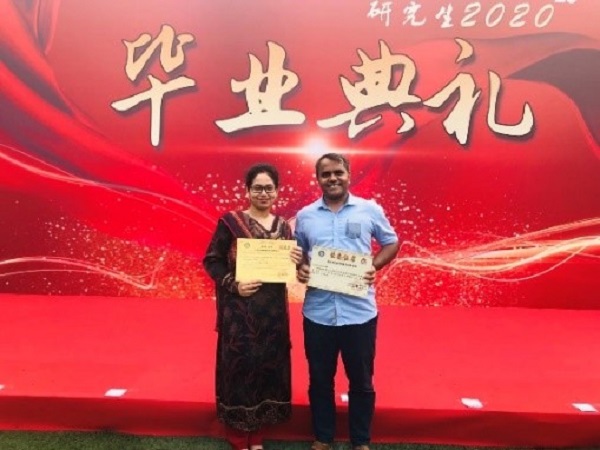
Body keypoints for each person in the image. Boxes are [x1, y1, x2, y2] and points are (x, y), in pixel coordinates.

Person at [295, 153, 399, 450]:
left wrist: (374, 266)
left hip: (359, 313)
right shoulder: (305, 216)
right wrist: (301, 268)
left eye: (338, 172)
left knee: (361, 380)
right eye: (326, 174)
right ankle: (323, 437)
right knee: (319, 380)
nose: (333, 178)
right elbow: (298, 253)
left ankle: (361, 440)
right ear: (318, 179)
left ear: (348, 175)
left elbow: (391, 242)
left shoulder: (369, 210)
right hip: (318, 313)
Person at [203, 163, 302, 450]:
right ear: (247, 190)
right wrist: (234, 284)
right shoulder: (231, 223)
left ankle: (256, 435)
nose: (263, 193)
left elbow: (289, 269)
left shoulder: (283, 227)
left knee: (266, 369)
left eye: (269, 188)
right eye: (257, 188)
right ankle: (238, 437)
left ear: (277, 191)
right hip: (240, 311)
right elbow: (212, 260)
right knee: (239, 367)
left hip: (273, 314)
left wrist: (296, 259)